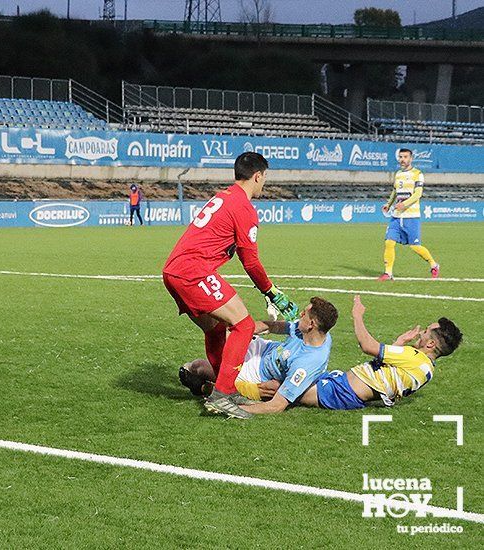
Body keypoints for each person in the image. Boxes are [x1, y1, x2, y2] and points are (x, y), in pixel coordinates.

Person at [162, 151, 299, 419]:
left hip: (174, 271)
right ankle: (222, 395)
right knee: (244, 325)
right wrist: (270, 291)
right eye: (264, 178)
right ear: (258, 176)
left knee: (216, 328)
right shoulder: (243, 207)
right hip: (193, 271)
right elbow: (250, 262)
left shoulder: (224, 196)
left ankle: (224, 389)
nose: (264, 184)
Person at [179, 297, 338, 417]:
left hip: (256, 373)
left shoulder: (307, 363)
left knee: (196, 368)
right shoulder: (310, 331)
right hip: (263, 348)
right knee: (224, 326)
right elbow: (273, 326)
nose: (300, 314)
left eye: (304, 313)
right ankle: (189, 299)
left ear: (311, 325)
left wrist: (236, 409)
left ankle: (208, 388)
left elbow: (276, 405)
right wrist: (242, 331)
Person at [295, 296, 461, 410]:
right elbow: (388, 374)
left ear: (431, 343)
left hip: (341, 392)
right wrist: (399, 343)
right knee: (286, 381)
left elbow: (367, 346)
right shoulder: (426, 368)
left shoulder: (413, 357)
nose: (422, 333)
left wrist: (357, 316)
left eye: (426, 332)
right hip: (341, 384)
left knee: (281, 389)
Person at [379, 148, 439, 281]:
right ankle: (388, 273)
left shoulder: (418, 174)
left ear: (411, 159)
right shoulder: (398, 174)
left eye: (405, 157)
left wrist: (404, 204)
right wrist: (389, 204)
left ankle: (433, 265)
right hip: (396, 216)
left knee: (415, 246)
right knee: (389, 242)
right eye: (400, 157)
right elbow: (395, 191)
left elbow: (418, 194)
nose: (402, 159)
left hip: (411, 216)